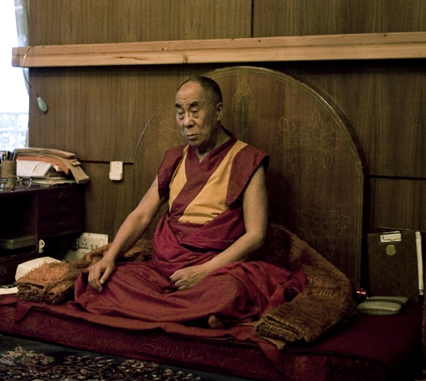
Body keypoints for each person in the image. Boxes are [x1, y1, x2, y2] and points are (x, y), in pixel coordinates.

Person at [73, 76, 305, 328]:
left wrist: (204, 271)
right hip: (168, 269)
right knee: (107, 279)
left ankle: (183, 308)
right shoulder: (175, 158)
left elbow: (256, 235)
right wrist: (110, 256)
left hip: (217, 268)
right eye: (180, 113)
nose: (186, 123)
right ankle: (200, 314)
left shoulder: (247, 159)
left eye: (194, 112)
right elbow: (141, 214)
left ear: (218, 111)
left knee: (228, 289)